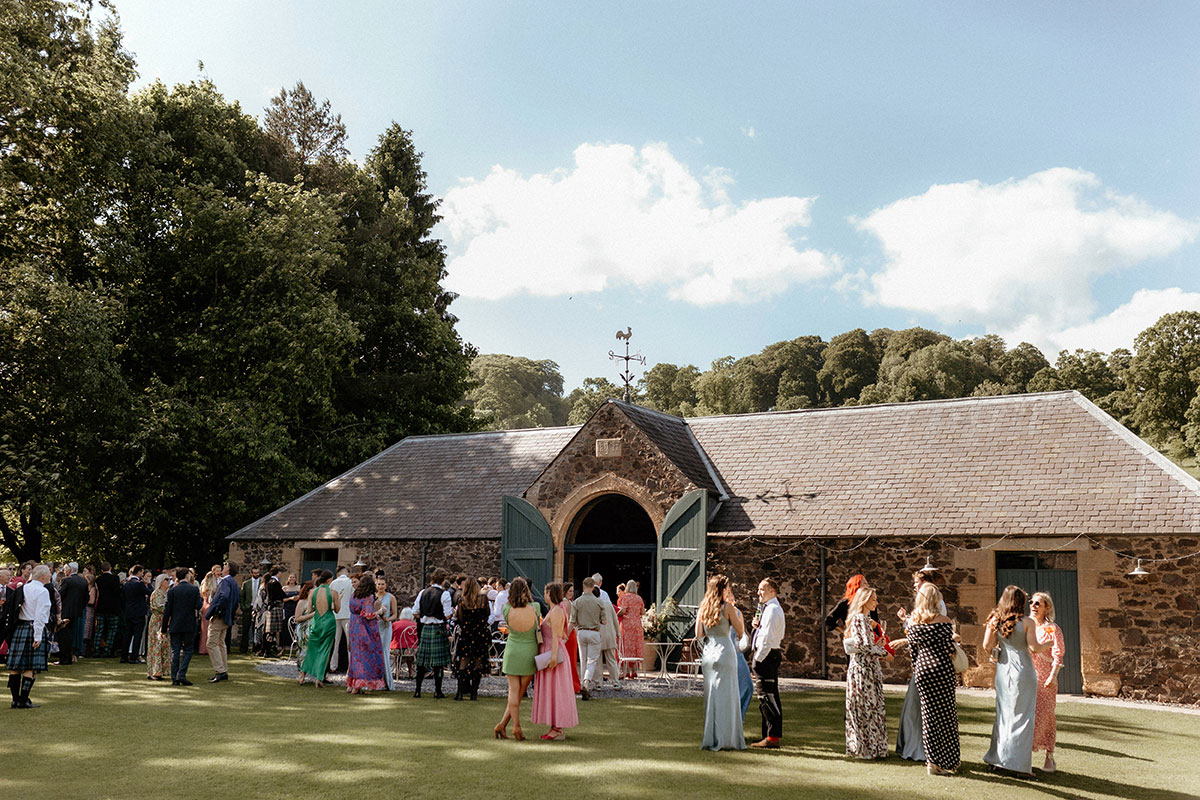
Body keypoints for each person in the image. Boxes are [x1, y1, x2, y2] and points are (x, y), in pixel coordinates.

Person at [983, 584, 1051, 778]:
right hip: (1023, 672)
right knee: (1022, 717)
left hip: (1003, 671)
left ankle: (998, 759)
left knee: (1003, 715)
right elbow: (1034, 648)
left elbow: (986, 645)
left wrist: (999, 651)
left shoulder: (995, 620)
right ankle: (1018, 765)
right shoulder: (1027, 622)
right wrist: (1049, 643)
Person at [904, 583, 960, 776]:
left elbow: (913, 652)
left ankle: (931, 761)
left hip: (923, 670)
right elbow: (949, 648)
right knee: (946, 715)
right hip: (941, 669)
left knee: (928, 716)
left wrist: (917, 668)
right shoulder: (944, 621)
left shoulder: (913, 623)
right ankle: (948, 760)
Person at [895, 568, 947, 761]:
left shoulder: (938, 608)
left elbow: (926, 634)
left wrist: (906, 637)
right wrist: (906, 621)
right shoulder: (926, 611)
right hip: (925, 664)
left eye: (917, 583)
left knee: (919, 708)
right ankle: (915, 746)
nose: (914, 586)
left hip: (925, 665)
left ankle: (919, 749)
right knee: (915, 707)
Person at [695, 574, 747, 751]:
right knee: (728, 696)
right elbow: (740, 632)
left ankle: (712, 737)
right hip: (725, 652)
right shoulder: (728, 608)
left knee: (712, 697)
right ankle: (727, 739)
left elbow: (698, 634)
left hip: (709, 653)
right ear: (723, 589)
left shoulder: (703, 608)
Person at [843, 587, 890, 759]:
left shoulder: (863, 619)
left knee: (867, 707)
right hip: (864, 669)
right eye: (873, 599)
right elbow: (863, 646)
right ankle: (868, 748)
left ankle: (868, 747)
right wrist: (883, 651)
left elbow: (865, 645)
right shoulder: (860, 619)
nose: (876, 603)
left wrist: (877, 644)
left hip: (867, 667)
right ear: (865, 600)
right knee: (867, 707)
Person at [495, 577, 539, 740]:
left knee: (513, 693)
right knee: (519, 694)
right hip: (529, 651)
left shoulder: (507, 608)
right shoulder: (535, 607)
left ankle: (509, 725)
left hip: (512, 650)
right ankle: (513, 727)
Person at [532, 582, 578, 740]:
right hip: (549, 651)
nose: (544, 595)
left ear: (550, 594)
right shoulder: (554, 610)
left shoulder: (557, 610)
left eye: (545, 592)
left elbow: (556, 636)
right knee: (552, 690)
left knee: (556, 689)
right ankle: (554, 726)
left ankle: (557, 728)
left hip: (553, 653)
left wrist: (553, 657)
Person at [6, 564, 53, 708]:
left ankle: (15, 700)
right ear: (43, 576)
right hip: (33, 628)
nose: (50, 575)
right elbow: (40, 615)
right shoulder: (42, 591)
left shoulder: (23, 588)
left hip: (20, 628)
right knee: (29, 666)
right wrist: (38, 636)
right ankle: (23, 700)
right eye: (49, 573)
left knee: (15, 666)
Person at [1029, 591, 1065, 773]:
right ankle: (1024, 754)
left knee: (1045, 716)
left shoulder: (1050, 628)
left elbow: (1058, 652)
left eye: (1038, 603)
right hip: (1027, 677)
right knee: (1027, 716)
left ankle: (1049, 755)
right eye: (1031, 602)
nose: (1033, 606)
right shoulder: (1026, 626)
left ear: (1047, 607)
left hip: (1045, 679)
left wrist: (1053, 675)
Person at [750, 577, 785, 748]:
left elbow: (767, 639)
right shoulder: (768, 609)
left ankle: (772, 738)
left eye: (762, 589)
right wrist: (756, 627)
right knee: (767, 695)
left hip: (767, 656)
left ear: (772, 591)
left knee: (766, 696)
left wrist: (757, 659)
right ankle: (769, 735)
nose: (759, 593)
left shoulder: (772, 610)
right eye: (759, 589)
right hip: (768, 655)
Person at [413, 568, 453, 699]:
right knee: (438, 663)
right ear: (443, 580)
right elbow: (447, 615)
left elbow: (415, 612)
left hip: (425, 629)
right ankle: (437, 691)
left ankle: (417, 691)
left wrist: (425, 616)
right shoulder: (444, 594)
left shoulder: (423, 592)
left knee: (421, 662)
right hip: (438, 629)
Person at [346, 573, 386, 694]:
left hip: (353, 625)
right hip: (365, 628)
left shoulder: (354, 595)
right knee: (366, 656)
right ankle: (358, 686)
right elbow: (368, 615)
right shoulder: (368, 597)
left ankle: (351, 684)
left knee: (355, 655)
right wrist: (380, 611)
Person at [298, 570, 338, 687]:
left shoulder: (312, 592)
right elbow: (337, 610)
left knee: (311, 649)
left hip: (317, 622)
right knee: (325, 651)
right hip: (329, 622)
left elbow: (310, 609)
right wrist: (333, 604)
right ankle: (319, 678)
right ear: (329, 580)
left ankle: (302, 676)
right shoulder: (333, 592)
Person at [452, 574, 490, 701]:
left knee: (463, 662)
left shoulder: (462, 601)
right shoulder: (483, 600)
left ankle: (460, 693)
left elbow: (459, 618)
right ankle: (474, 694)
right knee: (477, 662)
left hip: (467, 634)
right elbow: (487, 615)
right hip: (480, 634)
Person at [163, 567, 203, 685]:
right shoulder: (194, 589)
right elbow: (198, 606)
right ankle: (181, 674)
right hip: (189, 623)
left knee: (175, 651)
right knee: (188, 650)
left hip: (175, 623)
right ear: (186, 576)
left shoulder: (172, 591)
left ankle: (174, 676)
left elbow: (167, 611)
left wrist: (164, 627)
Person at [204, 562, 241, 683]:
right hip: (227, 617)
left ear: (228, 569)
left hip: (220, 617)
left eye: (225, 566)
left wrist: (217, 611)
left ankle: (220, 671)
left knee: (211, 643)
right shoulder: (234, 582)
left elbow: (224, 596)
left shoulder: (225, 582)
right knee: (221, 643)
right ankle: (223, 670)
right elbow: (236, 601)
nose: (222, 568)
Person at [570, 576, 606, 700]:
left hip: (581, 632)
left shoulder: (577, 602)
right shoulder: (599, 602)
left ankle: (583, 684)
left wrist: (565, 635)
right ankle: (586, 682)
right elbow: (604, 621)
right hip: (594, 632)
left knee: (583, 660)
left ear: (583, 587)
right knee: (592, 661)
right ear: (593, 587)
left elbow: (572, 621)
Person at [723, 581, 753, 718]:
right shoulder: (716, 612)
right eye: (727, 593)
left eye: (731, 593)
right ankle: (729, 721)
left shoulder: (738, 612)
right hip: (724, 654)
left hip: (737, 654)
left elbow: (743, 635)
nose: (730, 596)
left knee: (747, 687)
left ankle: (738, 719)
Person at [56, 563, 88, 666]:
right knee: (71, 635)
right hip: (76, 612)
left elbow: (59, 596)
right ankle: (70, 657)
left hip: (65, 612)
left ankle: (64, 659)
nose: (64, 571)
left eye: (65, 570)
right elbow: (86, 598)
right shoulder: (83, 581)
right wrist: (79, 608)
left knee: (63, 635)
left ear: (70, 570)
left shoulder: (67, 580)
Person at [593, 574, 621, 689]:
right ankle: (615, 682)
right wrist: (618, 633)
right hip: (609, 633)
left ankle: (598, 683)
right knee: (611, 660)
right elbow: (615, 619)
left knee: (597, 660)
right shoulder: (608, 603)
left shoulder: (592, 604)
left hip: (597, 634)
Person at [120, 565, 150, 663]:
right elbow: (149, 592)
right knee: (137, 635)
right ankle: (133, 656)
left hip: (129, 612)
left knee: (127, 635)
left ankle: (124, 656)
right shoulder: (139, 584)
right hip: (139, 612)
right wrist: (148, 584)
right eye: (142, 572)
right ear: (139, 572)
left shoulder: (126, 584)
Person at [616, 578, 645, 679]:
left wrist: (616, 614)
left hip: (627, 624)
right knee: (635, 646)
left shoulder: (625, 598)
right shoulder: (639, 598)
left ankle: (627, 671)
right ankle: (635, 670)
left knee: (626, 646)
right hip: (637, 624)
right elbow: (643, 612)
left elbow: (623, 611)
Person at [327, 566, 353, 673]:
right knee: (349, 642)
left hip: (336, 614)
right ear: (346, 572)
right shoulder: (350, 582)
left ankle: (332, 666)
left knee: (335, 642)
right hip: (347, 614)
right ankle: (350, 667)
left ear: (338, 574)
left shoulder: (333, 583)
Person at [146, 574, 172, 680]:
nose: (169, 581)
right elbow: (159, 607)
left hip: (165, 621)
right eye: (166, 579)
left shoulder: (167, 593)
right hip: (157, 621)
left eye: (169, 579)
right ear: (161, 582)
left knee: (164, 646)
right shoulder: (156, 593)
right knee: (156, 645)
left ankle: (162, 670)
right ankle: (154, 671)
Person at [375, 576, 397, 690]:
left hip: (386, 626)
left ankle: (387, 681)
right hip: (375, 626)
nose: (380, 586)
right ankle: (375, 680)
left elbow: (395, 614)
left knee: (384, 651)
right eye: (379, 584)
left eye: (382, 584)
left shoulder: (391, 597)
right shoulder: (373, 597)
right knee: (375, 652)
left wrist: (387, 619)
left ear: (386, 585)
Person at [561, 581, 581, 694]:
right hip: (568, 633)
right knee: (570, 660)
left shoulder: (565, 602)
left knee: (569, 660)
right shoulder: (567, 603)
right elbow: (569, 620)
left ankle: (571, 685)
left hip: (567, 632)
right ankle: (574, 684)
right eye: (569, 591)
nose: (571, 593)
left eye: (572, 591)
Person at [261, 566, 286, 658]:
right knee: (271, 631)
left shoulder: (268, 582)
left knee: (269, 631)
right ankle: (267, 651)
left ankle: (266, 650)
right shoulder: (275, 582)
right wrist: (284, 592)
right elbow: (281, 595)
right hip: (275, 607)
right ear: (278, 572)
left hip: (271, 607)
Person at [238, 566, 261, 655]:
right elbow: (242, 596)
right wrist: (243, 607)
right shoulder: (246, 583)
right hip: (248, 608)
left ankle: (256, 648)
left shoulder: (262, 583)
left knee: (258, 629)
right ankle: (243, 648)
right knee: (245, 629)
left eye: (257, 573)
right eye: (254, 573)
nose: (256, 574)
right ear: (251, 573)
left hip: (258, 608)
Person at [198, 565, 219, 656]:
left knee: (204, 629)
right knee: (210, 629)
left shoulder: (203, 586)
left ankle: (202, 648)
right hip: (210, 607)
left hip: (204, 607)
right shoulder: (213, 588)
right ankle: (208, 649)